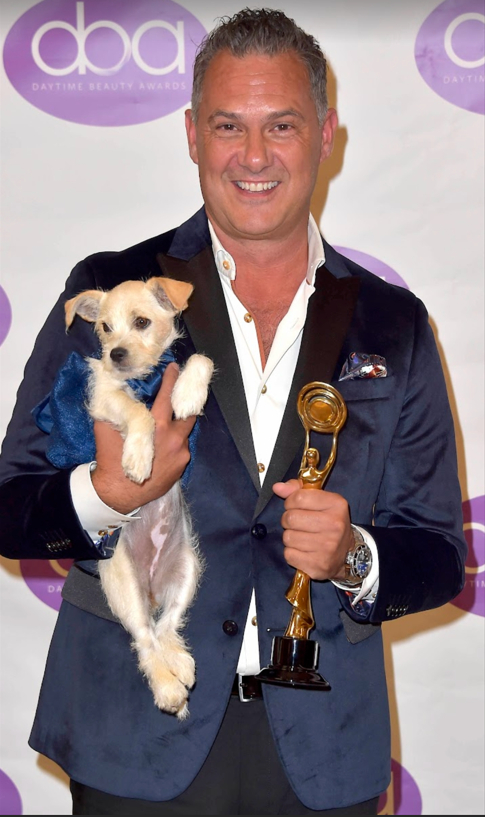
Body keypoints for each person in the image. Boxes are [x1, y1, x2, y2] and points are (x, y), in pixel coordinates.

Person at [0, 8, 466, 816]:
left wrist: (352, 554)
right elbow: (11, 505)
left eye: (281, 124)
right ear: (191, 134)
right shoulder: (111, 291)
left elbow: (437, 551)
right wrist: (104, 496)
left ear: (324, 135)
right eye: (227, 126)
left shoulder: (394, 322)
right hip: (134, 736)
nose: (253, 156)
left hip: (324, 748)